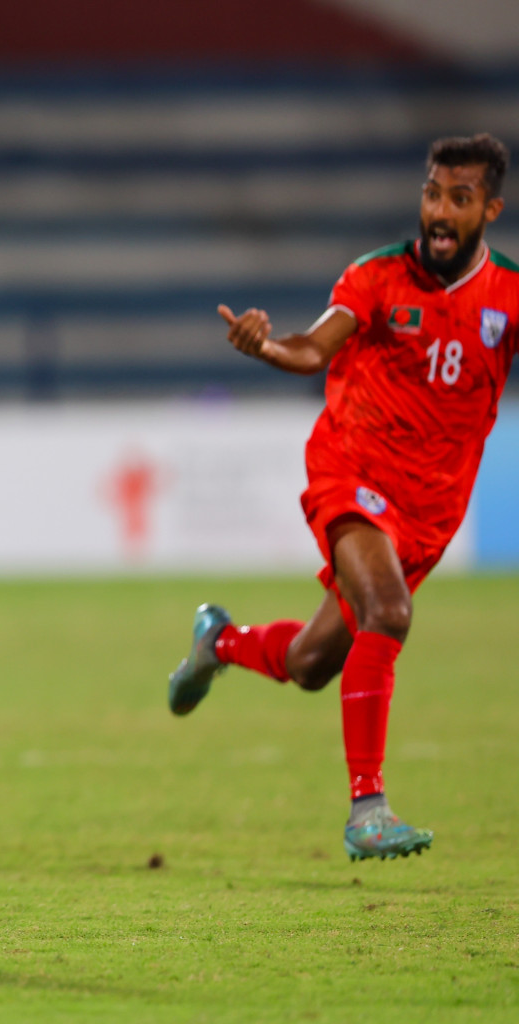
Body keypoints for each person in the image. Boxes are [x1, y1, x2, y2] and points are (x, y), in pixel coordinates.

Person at [167, 134, 517, 861]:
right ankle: (368, 810)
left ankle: (219, 642)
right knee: (388, 612)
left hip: (430, 512)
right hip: (352, 471)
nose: (439, 212)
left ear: (491, 208)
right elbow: (311, 349)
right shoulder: (377, 277)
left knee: (311, 664)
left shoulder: (510, 298)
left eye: (459, 198)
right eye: (431, 193)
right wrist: (264, 345)